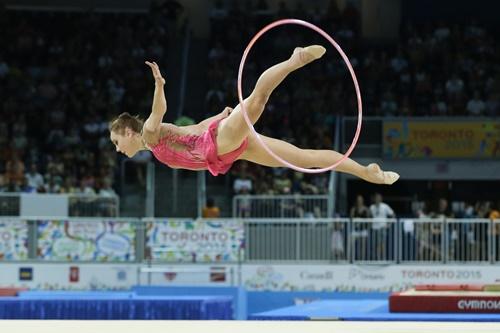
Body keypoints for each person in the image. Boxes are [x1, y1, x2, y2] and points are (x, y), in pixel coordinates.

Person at [109, 46, 400, 184]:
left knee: (257, 101)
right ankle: (366, 172)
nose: (117, 149)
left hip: (219, 143)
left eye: (116, 142)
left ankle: (292, 60)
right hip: (228, 150)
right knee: (303, 158)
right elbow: (195, 128)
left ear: (127, 132)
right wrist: (216, 117)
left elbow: (158, 111)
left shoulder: (149, 133)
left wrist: (159, 86)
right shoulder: (157, 140)